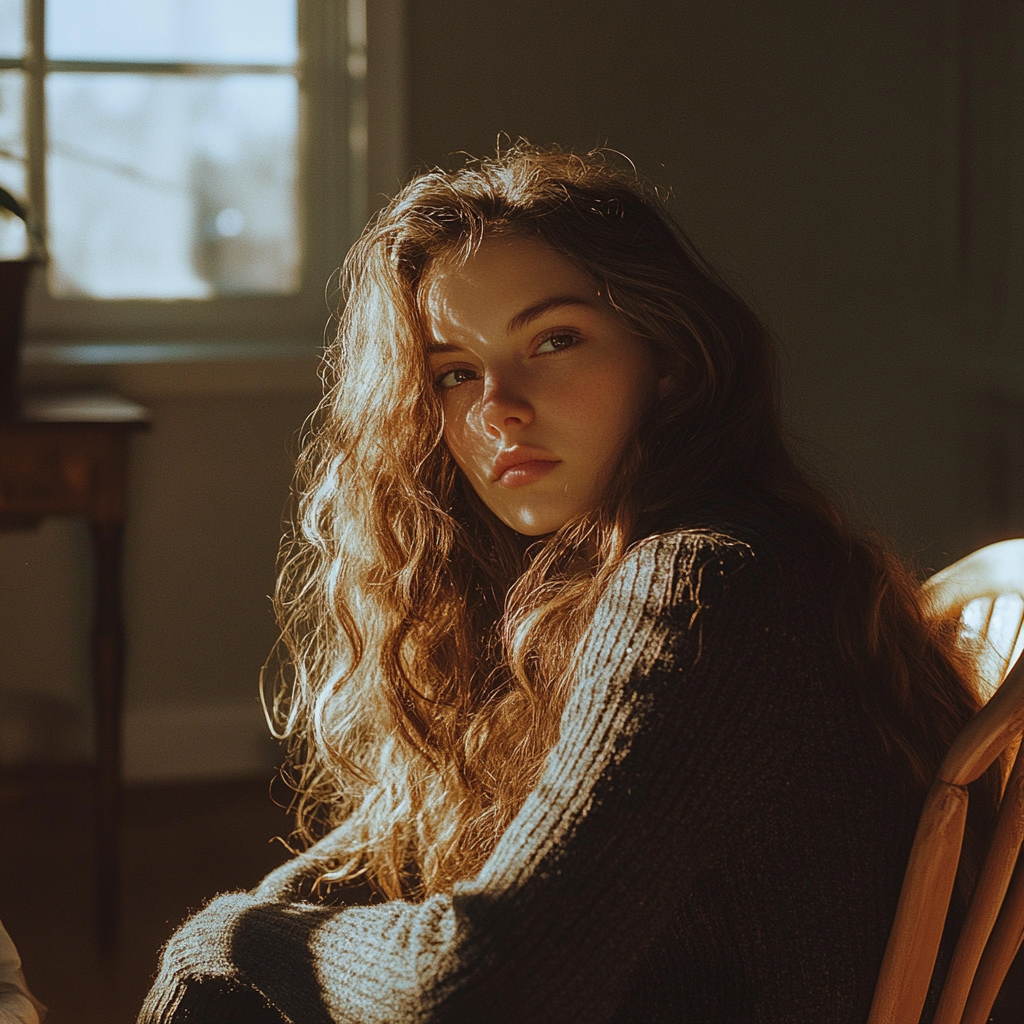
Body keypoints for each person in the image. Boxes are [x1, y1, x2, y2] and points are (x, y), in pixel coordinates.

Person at [139, 145, 998, 1023]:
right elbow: (398, 847)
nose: (497, 408)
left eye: (554, 340)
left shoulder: (707, 585)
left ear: (667, 357)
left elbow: (484, 984)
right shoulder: (577, 573)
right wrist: (262, 921)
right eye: (454, 372)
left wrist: (229, 943)